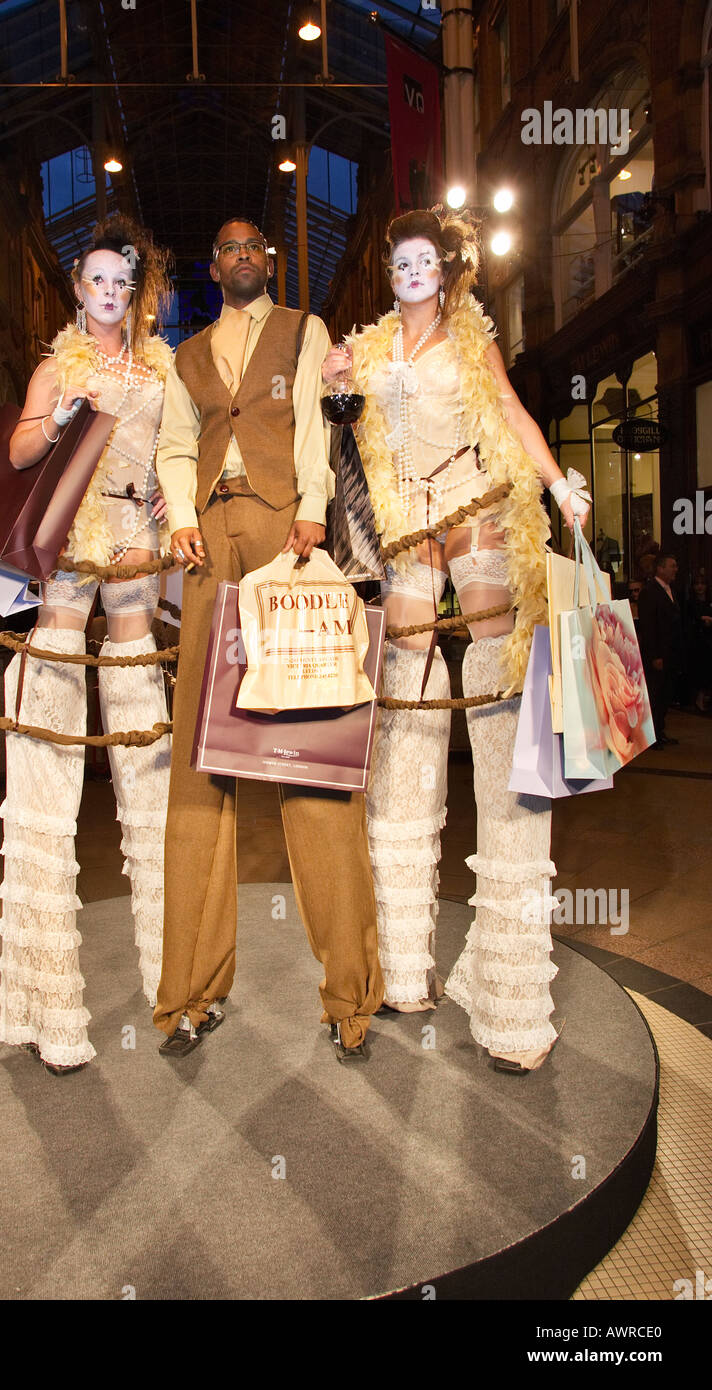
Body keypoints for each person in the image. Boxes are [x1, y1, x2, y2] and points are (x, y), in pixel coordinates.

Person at [322, 207, 590, 1073]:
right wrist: (332, 384)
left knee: (497, 687)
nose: (408, 272)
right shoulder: (362, 352)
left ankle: (511, 994)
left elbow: (508, 414)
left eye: (421, 261)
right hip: (402, 534)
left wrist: (558, 485)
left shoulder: (473, 339)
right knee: (403, 703)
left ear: (444, 273)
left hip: (477, 510)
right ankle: (403, 963)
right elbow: (336, 427)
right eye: (396, 261)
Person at [154, 218, 383, 1062]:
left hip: (290, 539)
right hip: (212, 551)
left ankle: (350, 997)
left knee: (311, 765)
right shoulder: (187, 358)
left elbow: (321, 427)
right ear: (211, 267)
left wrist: (316, 510)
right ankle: (189, 993)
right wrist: (180, 518)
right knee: (198, 767)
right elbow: (176, 447)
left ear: (268, 262)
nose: (243, 254)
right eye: (227, 247)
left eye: (254, 245)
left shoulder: (304, 329)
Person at [0, 214, 174, 1073]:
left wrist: (179, 510)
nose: (109, 294)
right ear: (78, 288)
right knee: (50, 760)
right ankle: (48, 1004)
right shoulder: (57, 364)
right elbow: (22, 449)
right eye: (97, 280)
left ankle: (171, 982)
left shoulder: (157, 370)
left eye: (122, 283)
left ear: (134, 292)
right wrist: (59, 410)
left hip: (136, 554)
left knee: (148, 758)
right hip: (68, 559)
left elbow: (172, 460)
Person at [639, 553, 683, 747]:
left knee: (666, 693)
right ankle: (651, 735)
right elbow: (649, 626)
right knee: (655, 694)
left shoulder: (669, 589)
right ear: (660, 568)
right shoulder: (650, 591)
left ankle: (660, 730)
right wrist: (655, 655)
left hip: (671, 651)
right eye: (672, 566)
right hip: (658, 653)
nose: (675, 570)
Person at [687, 576, 712, 713]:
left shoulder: (709, 601)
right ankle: (698, 698)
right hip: (698, 642)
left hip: (709, 640)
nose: (700, 587)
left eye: (703, 584)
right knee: (701, 670)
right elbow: (692, 620)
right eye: (697, 584)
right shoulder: (691, 602)